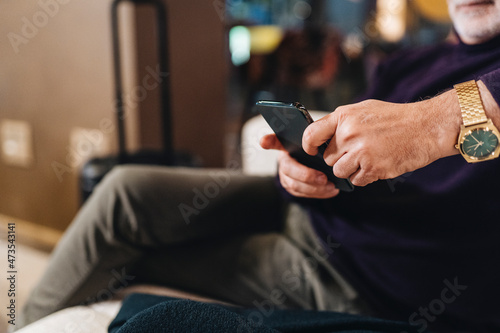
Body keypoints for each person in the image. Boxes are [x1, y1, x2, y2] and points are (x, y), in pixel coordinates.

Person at [19, 0, 500, 331]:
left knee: (130, 263)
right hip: (310, 209)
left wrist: (435, 123)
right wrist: (298, 173)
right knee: (125, 190)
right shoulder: (408, 62)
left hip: (355, 275)